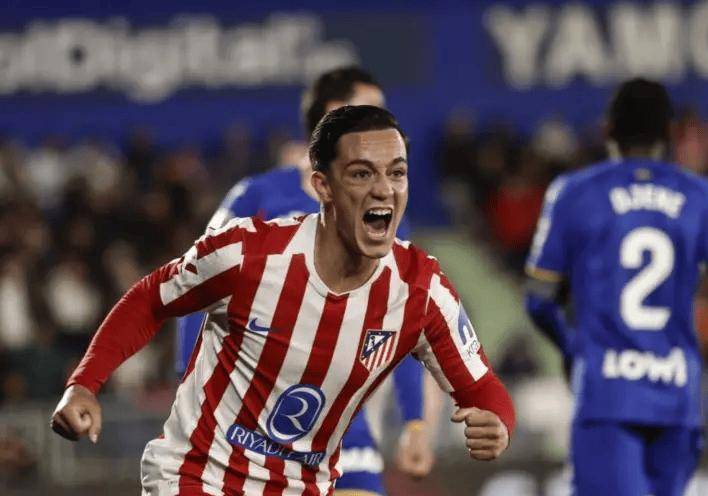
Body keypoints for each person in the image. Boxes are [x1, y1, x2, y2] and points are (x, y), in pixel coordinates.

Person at [51, 105, 515, 495]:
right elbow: (152, 298)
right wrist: (85, 382)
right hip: (199, 476)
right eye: (361, 173)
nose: (383, 189)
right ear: (322, 186)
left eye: (397, 173)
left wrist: (497, 424)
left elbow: (483, 390)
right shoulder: (249, 254)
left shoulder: (421, 289)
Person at [176, 66, 435, 495]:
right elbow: (195, 292)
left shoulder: (381, 216)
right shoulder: (256, 198)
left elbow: (397, 323)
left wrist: (415, 422)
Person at [524, 78, 708, 496]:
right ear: (669, 132)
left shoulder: (573, 194)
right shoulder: (702, 196)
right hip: (678, 400)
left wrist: (573, 349)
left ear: (608, 130)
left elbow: (538, 299)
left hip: (607, 396)